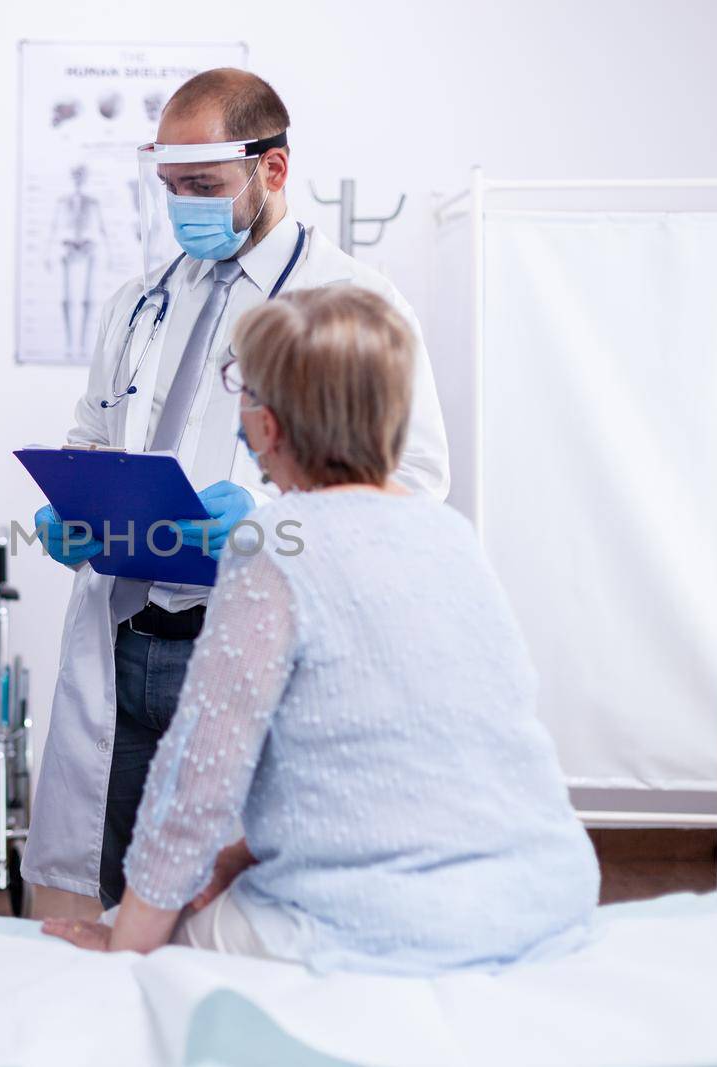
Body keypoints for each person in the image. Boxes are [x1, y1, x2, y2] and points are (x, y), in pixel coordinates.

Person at [45, 287, 599, 973]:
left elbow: (197, 780)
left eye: (240, 389)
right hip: (546, 893)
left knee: (129, 947)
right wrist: (243, 856)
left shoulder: (275, 544)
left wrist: (123, 944)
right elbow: (420, 749)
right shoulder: (450, 536)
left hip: (385, 920)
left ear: (269, 425)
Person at [24, 68, 451, 918]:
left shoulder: (354, 304)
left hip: (244, 641)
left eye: (205, 187)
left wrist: (264, 518)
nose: (184, 206)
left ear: (274, 170)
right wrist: (73, 507)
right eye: (171, 187)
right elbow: (93, 437)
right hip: (124, 636)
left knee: (222, 902)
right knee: (108, 885)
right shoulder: (138, 303)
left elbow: (418, 485)